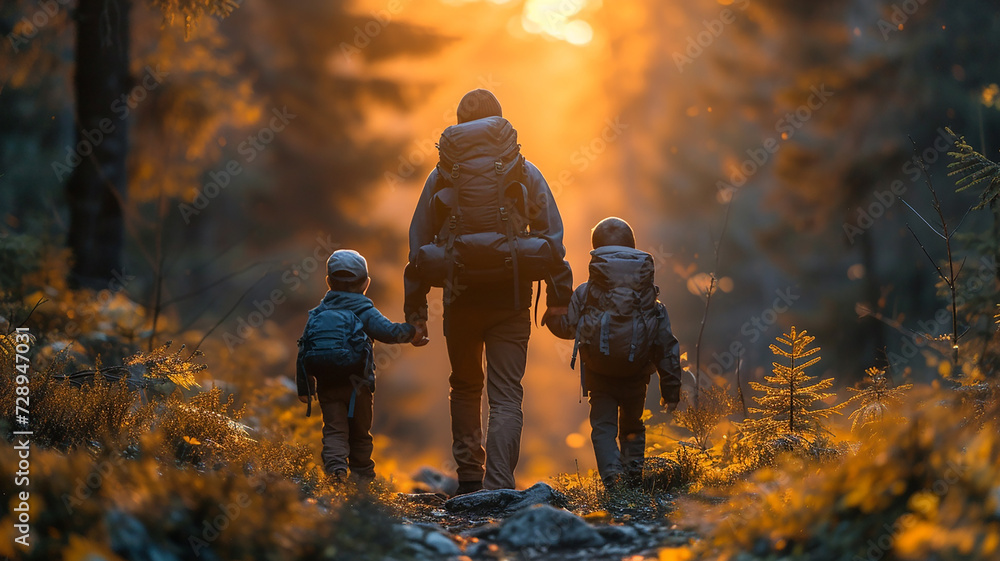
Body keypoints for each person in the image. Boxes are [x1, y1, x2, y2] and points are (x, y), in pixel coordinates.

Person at [404, 89, 573, 494]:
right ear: (500, 122)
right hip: (510, 298)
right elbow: (552, 240)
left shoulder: (442, 174)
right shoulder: (522, 169)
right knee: (506, 396)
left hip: (459, 298)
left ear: (459, 125)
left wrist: (416, 313)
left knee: (464, 387)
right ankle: (499, 485)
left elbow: (418, 247)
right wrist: (558, 300)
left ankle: (468, 480)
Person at [546, 217, 683, 491]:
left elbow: (567, 329)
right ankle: (633, 478)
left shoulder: (586, 293)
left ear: (596, 251)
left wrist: (551, 313)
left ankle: (613, 480)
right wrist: (671, 389)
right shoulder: (650, 298)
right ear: (632, 248)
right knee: (633, 424)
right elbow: (665, 345)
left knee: (603, 427)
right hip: (636, 374)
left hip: (599, 374)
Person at [296, 249, 420, 483]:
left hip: (327, 385)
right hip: (358, 387)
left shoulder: (318, 313)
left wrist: (305, 388)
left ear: (328, 282)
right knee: (360, 435)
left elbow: (304, 350)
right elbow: (389, 332)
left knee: (334, 430)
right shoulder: (364, 311)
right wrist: (413, 332)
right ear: (366, 284)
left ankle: (336, 473)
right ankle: (363, 481)